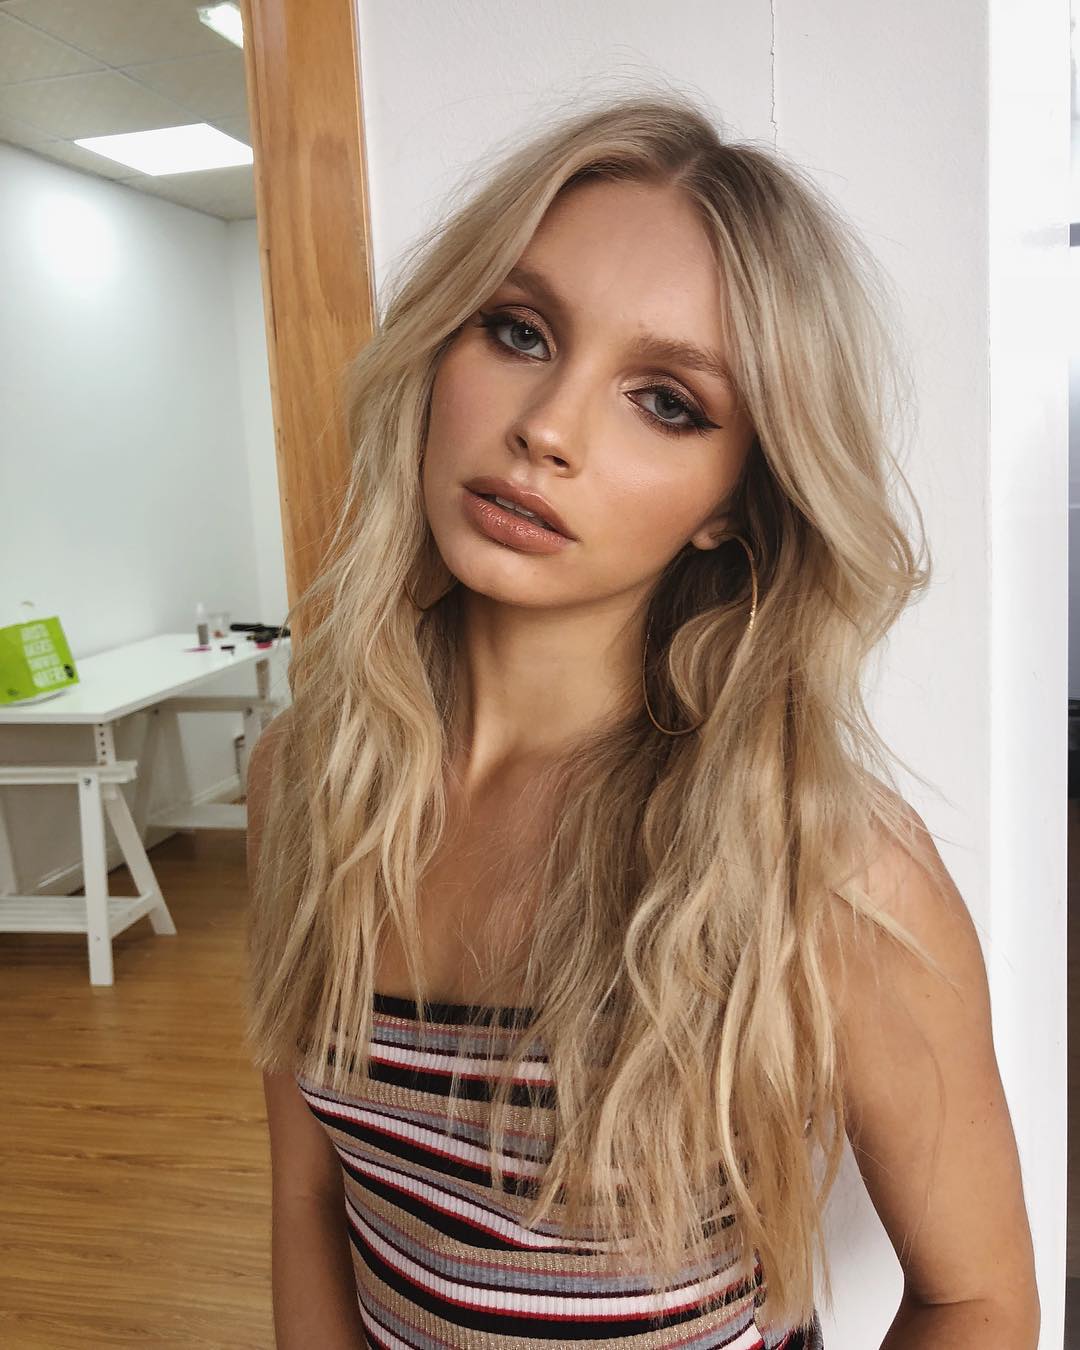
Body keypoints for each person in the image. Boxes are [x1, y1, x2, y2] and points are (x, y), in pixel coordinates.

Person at [243, 92, 1040, 1349]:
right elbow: (307, 1200)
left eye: (667, 400)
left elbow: (980, 1300)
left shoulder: (825, 864)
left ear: (733, 500)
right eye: (518, 331)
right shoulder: (307, 776)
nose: (546, 428)